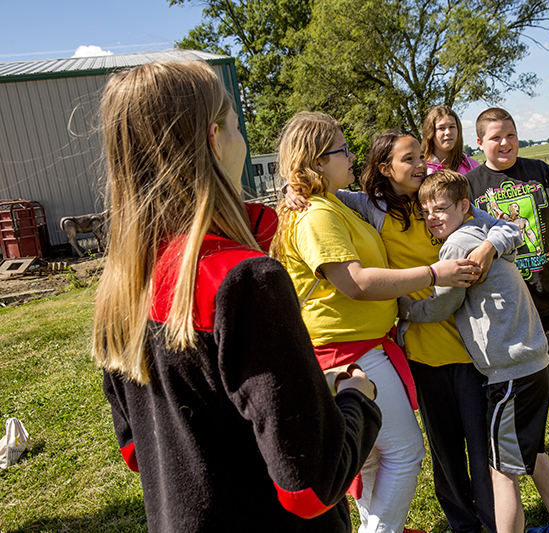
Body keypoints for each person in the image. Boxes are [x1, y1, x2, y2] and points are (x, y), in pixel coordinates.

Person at [93, 61, 381, 533]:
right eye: (234, 120)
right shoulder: (244, 280)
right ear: (215, 139)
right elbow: (310, 487)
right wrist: (355, 397)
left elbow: (139, 450)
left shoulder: (124, 278)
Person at [284, 128, 521, 533]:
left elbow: (506, 227)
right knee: (442, 452)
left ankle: (490, 520)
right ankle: (461, 524)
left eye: (421, 157)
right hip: (418, 350)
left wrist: (488, 247)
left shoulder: (440, 197)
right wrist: (293, 188)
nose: (421, 165)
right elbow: (322, 201)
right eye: (408, 158)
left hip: (470, 348)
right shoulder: (369, 207)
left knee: (480, 450)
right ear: (384, 169)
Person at [397, 169, 549, 533]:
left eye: (440, 209)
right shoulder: (481, 228)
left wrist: (402, 308)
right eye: (426, 211)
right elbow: (509, 226)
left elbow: (440, 307)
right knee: (534, 452)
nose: (432, 217)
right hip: (533, 359)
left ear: (464, 205)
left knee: (502, 473)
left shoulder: (455, 246)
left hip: (508, 371)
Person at [464, 108, 549, 453]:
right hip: (507, 300)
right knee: (521, 372)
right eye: (496, 137)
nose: (505, 142)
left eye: (510, 135)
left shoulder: (539, 171)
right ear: (480, 143)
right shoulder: (469, 186)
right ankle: (523, 436)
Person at [422, 105, 481, 175]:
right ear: (431, 132)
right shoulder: (423, 169)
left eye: (452, 127)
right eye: (441, 128)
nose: (448, 132)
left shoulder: (473, 166)